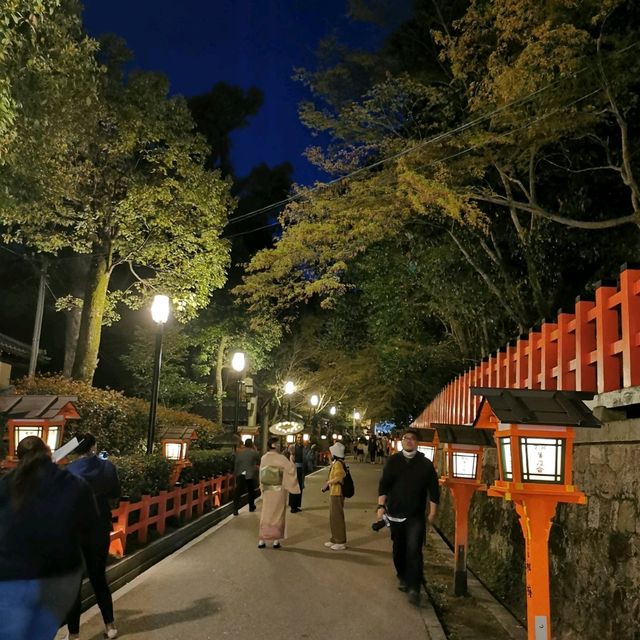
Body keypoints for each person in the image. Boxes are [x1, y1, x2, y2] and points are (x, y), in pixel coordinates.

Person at [0, 436, 101, 640]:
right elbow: (90, 531)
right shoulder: (74, 484)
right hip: (59, 575)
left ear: (18, 457)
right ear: (49, 452)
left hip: (13, 574)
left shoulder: (6, 485)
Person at [65, 434, 121, 640]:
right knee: (99, 578)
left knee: (73, 584)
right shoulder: (107, 467)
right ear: (94, 446)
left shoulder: (69, 471)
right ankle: (110, 625)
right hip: (99, 527)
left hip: (75, 531)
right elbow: (116, 491)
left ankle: (73, 634)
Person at [376, 428, 440, 607]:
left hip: (415, 515)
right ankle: (402, 575)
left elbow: (434, 490)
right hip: (395, 513)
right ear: (402, 442)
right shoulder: (393, 461)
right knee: (399, 547)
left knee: (414, 549)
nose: (409, 441)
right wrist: (381, 505)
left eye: (412, 438)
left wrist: (432, 512)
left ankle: (414, 587)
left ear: (417, 443)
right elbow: (384, 484)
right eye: (406, 438)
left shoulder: (425, 464)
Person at [257, 437, 300, 549]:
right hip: (278, 489)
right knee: (278, 514)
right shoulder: (281, 458)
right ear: (274, 445)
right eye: (278, 443)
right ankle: (276, 540)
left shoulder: (264, 458)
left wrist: (261, 487)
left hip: (267, 489)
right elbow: (291, 470)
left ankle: (262, 540)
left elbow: (261, 474)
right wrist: (291, 457)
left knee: (266, 513)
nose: (280, 445)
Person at [322, 442, 347, 551]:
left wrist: (328, 483)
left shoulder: (338, 464)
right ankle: (335, 538)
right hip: (334, 492)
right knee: (333, 517)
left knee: (337, 517)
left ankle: (340, 541)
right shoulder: (337, 462)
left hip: (337, 493)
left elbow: (339, 477)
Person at [233, 438, 261, 516]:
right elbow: (259, 461)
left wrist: (236, 473)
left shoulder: (239, 453)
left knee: (238, 491)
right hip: (250, 474)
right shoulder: (254, 453)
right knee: (251, 491)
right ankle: (251, 507)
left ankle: (235, 509)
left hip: (240, 473)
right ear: (252, 444)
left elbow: (236, 464)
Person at [288, 433, 306, 513]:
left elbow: (306, 458)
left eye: (301, 438)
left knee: (300, 488)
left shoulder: (304, 447)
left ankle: (297, 505)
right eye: (298, 437)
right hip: (294, 469)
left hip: (301, 469)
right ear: (296, 438)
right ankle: (292, 506)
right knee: (293, 487)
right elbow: (285, 454)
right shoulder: (292, 447)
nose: (299, 439)